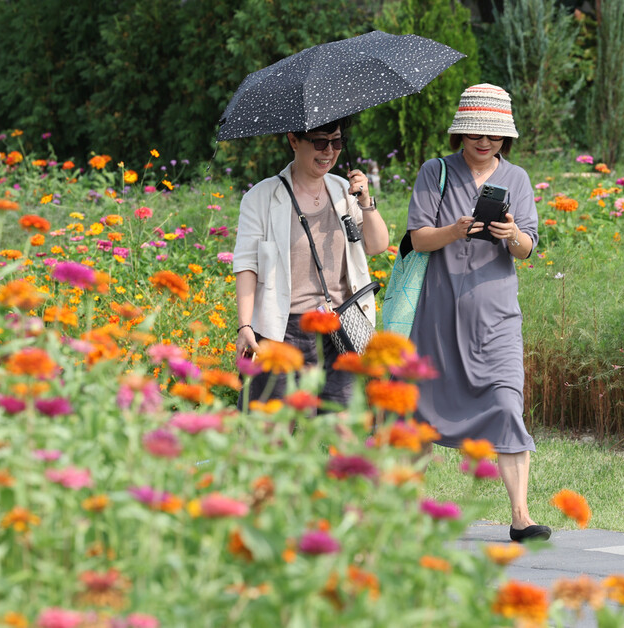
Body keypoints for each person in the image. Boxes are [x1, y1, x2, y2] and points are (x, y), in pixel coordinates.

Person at [405, 84, 548, 542]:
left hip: (497, 318)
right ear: (459, 133)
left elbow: (527, 248)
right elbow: (416, 238)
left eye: (493, 136)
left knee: (508, 404)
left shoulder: (519, 179)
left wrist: (510, 233)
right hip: (437, 317)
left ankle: (521, 517)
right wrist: (453, 230)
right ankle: (408, 509)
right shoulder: (435, 172)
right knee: (419, 412)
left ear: (506, 138)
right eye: (473, 134)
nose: (483, 143)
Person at [232, 117, 389, 406]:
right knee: (270, 426)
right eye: (320, 142)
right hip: (283, 328)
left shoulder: (344, 190)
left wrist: (366, 202)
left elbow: (377, 245)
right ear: (294, 141)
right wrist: (245, 327)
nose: (329, 151)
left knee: (341, 425)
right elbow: (246, 266)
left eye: (337, 142)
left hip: (338, 327)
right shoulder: (261, 198)